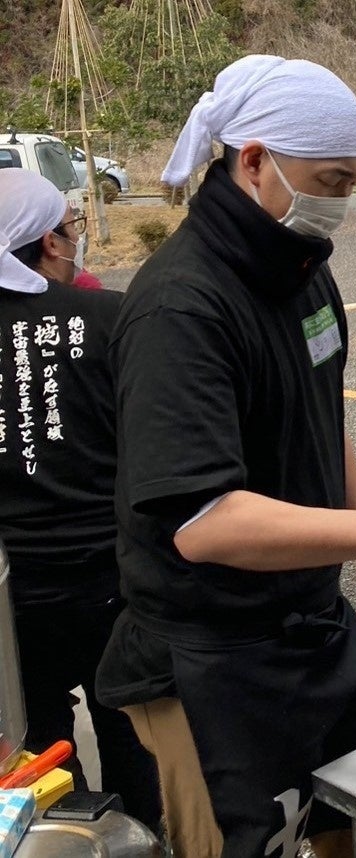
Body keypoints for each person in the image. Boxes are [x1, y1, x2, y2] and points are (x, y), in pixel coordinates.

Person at [94, 55, 356, 858]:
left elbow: (320, 415)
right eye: (331, 181)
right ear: (254, 161)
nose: (342, 203)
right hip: (211, 659)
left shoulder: (301, 268)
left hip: (310, 625)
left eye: (354, 183)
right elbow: (204, 521)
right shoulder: (180, 307)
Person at [0, 168, 161, 830]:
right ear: (49, 241)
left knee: (37, 746)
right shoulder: (111, 316)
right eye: (71, 227)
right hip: (114, 579)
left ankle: (64, 838)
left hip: (13, 600)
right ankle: (140, 836)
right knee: (129, 727)